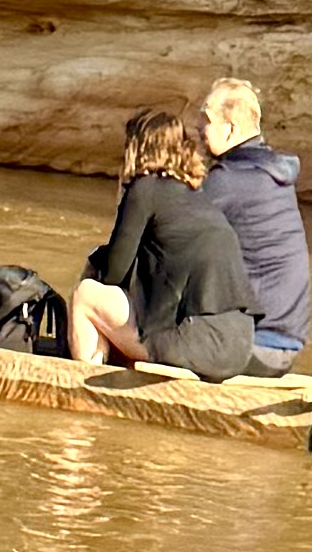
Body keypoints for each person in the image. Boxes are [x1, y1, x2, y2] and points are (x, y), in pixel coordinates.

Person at [69, 107, 268, 377]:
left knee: (86, 295)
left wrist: (94, 264)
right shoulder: (197, 196)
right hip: (239, 348)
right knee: (140, 313)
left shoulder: (145, 188)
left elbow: (114, 273)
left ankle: (85, 385)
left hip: (193, 342)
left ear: (136, 149)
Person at [199, 76, 312, 373]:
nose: (202, 130)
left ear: (230, 128)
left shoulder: (230, 180)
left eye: (208, 121)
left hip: (255, 346)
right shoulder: (272, 174)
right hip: (287, 344)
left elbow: (172, 237)